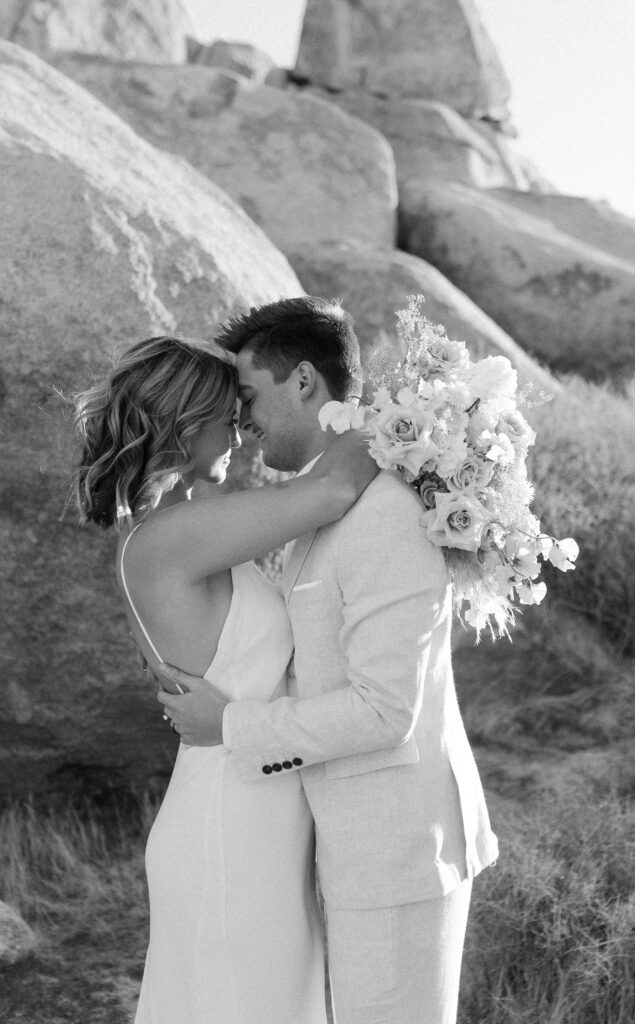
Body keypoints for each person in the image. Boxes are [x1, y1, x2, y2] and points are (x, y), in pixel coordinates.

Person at [157, 297, 500, 1024]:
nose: (241, 421)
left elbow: (385, 710)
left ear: (305, 382)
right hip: (348, 843)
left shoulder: (381, 515)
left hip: (396, 851)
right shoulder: (323, 504)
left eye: (248, 396)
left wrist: (233, 725)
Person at [70, 332, 379, 1024]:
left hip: (255, 811)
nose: (241, 429)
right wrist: (408, 418)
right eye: (229, 410)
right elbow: (332, 488)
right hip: (228, 824)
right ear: (185, 422)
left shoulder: (184, 527)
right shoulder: (167, 537)